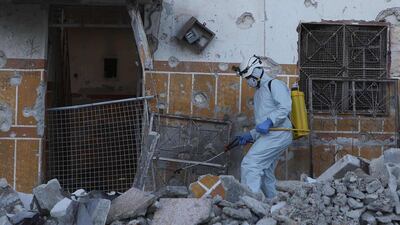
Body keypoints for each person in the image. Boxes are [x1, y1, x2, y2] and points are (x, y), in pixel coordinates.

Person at [235, 55, 293, 199]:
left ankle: (250, 204)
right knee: (266, 171)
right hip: (272, 134)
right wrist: (251, 135)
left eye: (249, 77)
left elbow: (285, 107)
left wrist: (270, 121)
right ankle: (273, 205)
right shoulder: (259, 93)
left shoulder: (274, 84)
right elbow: (263, 123)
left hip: (280, 133)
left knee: (250, 164)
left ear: (256, 70)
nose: (248, 81)